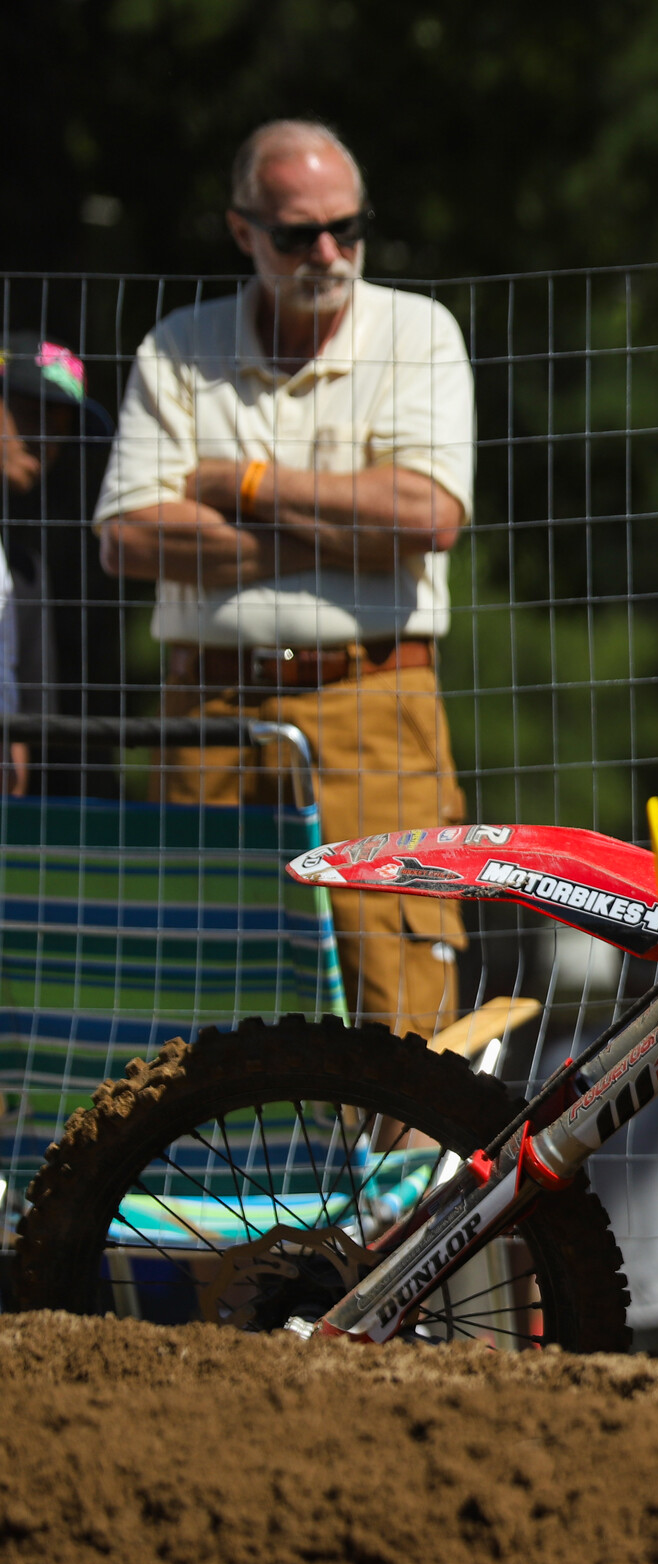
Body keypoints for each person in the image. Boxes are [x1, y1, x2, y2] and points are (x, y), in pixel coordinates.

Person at [91, 119, 473, 1041]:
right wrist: (344, 534)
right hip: (208, 710)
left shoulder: (417, 332)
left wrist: (244, 487)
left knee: (396, 987)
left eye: (350, 227)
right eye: (299, 235)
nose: (330, 253)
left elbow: (426, 519)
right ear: (242, 230)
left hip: (372, 696)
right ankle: (201, 1186)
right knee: (198, 984)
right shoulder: (178, 347)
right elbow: (127, 540)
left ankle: (412, 1184)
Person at [0, 337, 113, 793]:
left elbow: (26, 737)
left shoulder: (24, 576)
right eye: (31, 415)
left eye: (61, 429)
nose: (46, 442)